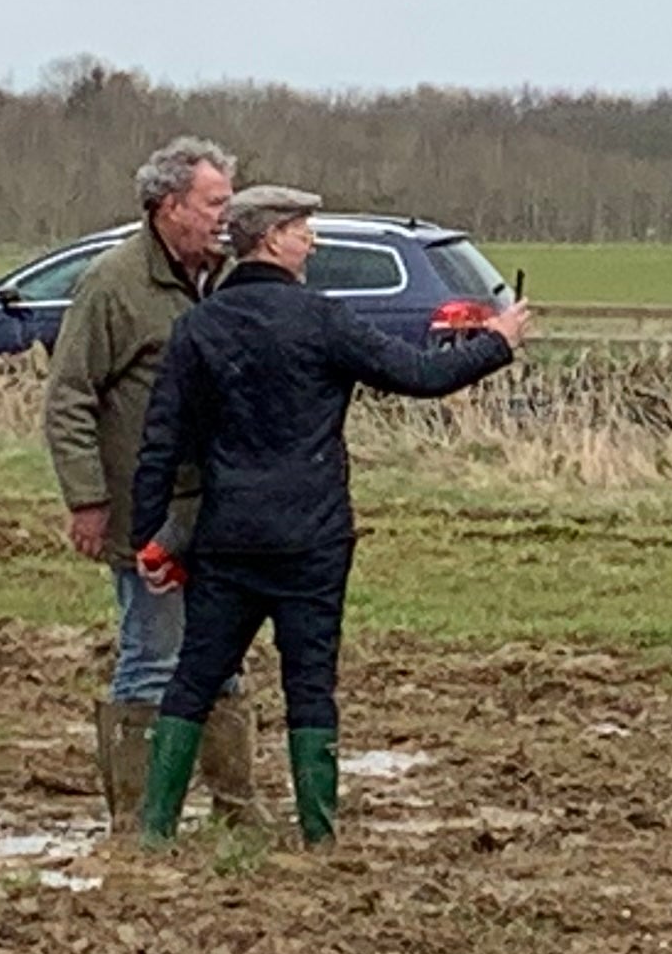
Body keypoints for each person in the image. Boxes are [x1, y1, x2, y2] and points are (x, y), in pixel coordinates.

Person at [128, 186, 527, 846]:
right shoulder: (321, 320)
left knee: (195, 674)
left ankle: (155, 833)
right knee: (310, 680)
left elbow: (162, 442)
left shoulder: (200, 325)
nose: (312, 239)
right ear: (271, 239)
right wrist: (497, 343)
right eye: (302, 227)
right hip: (313, 537)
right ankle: (319, 837)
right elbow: (421, 376)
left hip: (227, 535)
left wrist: (151, 537)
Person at [39, 134, 276, 839]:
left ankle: (239, 811)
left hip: (225, 508)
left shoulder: (233, 277)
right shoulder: (115, 285)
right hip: (149, 513)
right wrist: (87, 499)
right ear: (169, 207)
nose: (224, 219)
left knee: (224, 651)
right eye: (213, 204)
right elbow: (69, 398)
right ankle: (139, 823)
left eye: (229, 204)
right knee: (151, 655)